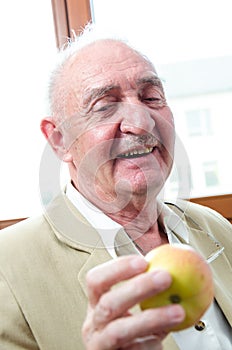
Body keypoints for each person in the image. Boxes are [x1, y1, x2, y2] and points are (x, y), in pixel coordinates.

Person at [0, 24, 231, 350]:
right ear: (59, 140)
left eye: (151, 98)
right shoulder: (5, 270)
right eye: (104, 106)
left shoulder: (215, 227)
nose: (141, 122)